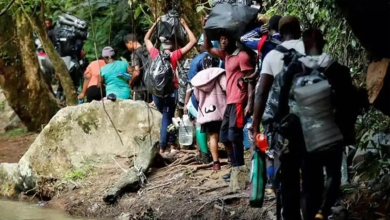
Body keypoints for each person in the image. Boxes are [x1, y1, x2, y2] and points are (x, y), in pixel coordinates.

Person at [299, 28, 359, 220]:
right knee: (333, 176)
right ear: (323, 43)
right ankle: (322, 212)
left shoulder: (296, 70)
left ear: (305, 45)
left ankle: (312, 214)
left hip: (307, 134)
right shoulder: (339, 71)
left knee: (310, 180)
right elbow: (349, 104)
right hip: (333, 132)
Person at [251, 16, 304, 220]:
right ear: (299, 31)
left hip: (285, 127)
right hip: (313, 122)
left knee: (288, 177)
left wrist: (255, 128)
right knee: (310, 175)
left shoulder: (273, 56)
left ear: (280, 34)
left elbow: (262, 93)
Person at [203, 21, 255, 182]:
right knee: (225, 137)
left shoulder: (242, 56)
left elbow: (251, 80)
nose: (222, 41)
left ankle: (239, 169)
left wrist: (250, 103)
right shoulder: (227, 56)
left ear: (232, 39)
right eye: (220, 39)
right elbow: (208, 48)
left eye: (225, 38)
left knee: (235, 136)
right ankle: (234, 168)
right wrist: (206, 28)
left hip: (239, 100)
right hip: (230, 101)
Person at [144, 17, 197, 154]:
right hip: (170, 93)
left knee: (166, 117)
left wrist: (155, 24)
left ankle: (172, 144)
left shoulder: (155, 54)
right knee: (167, 118)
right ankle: (163, 147)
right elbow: (193, 41)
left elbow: (146, 39)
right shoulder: (174, 56)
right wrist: (184, 25)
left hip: (157, 94)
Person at [192, 67, 227, 171]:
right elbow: (226, 88)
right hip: (221, 110)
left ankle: (216, 163)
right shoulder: (219, 74)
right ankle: (231, 159)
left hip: (207, 112)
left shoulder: (198, 78)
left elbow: (196, 97)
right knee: (225, 135)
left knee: (213, 137)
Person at [184, 34, 223, 118]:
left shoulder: (196, 60)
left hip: (200, 101)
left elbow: (190, 84)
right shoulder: (222, 59)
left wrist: (186, 103)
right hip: (219, 101)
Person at [123, 33, 152, 102]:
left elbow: (136, 73)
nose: (127, 48)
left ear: (129, 43)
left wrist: (131, 82)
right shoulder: (148, 50)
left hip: (140, 89)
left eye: (126, 45)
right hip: (151, 87)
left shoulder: (134, 54)